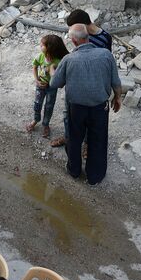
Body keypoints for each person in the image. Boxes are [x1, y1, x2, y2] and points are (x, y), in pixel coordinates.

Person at [49, 24, 122, 186]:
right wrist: (118, 98)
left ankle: (74, 171)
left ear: (74, 41)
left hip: (76, 108)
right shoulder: (106, 55)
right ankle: (95, 177)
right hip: (100, 108)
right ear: (88, 36)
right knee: (98, 140)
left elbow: (55, 83)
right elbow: (116, 81)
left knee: (74, 138)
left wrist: (52, 69)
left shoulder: (68, 60)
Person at [25, 35, 68, 138]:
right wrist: (36, 81)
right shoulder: (40, 56)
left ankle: (46, 124)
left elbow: (60, 77)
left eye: (42, 45)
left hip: (52, 88)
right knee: (37, 104)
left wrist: (53, 70)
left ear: (50, 48)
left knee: (49, 106)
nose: (40, 46)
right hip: (40, 86)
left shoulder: (59, 61)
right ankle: (35, 120)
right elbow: (34, 67)